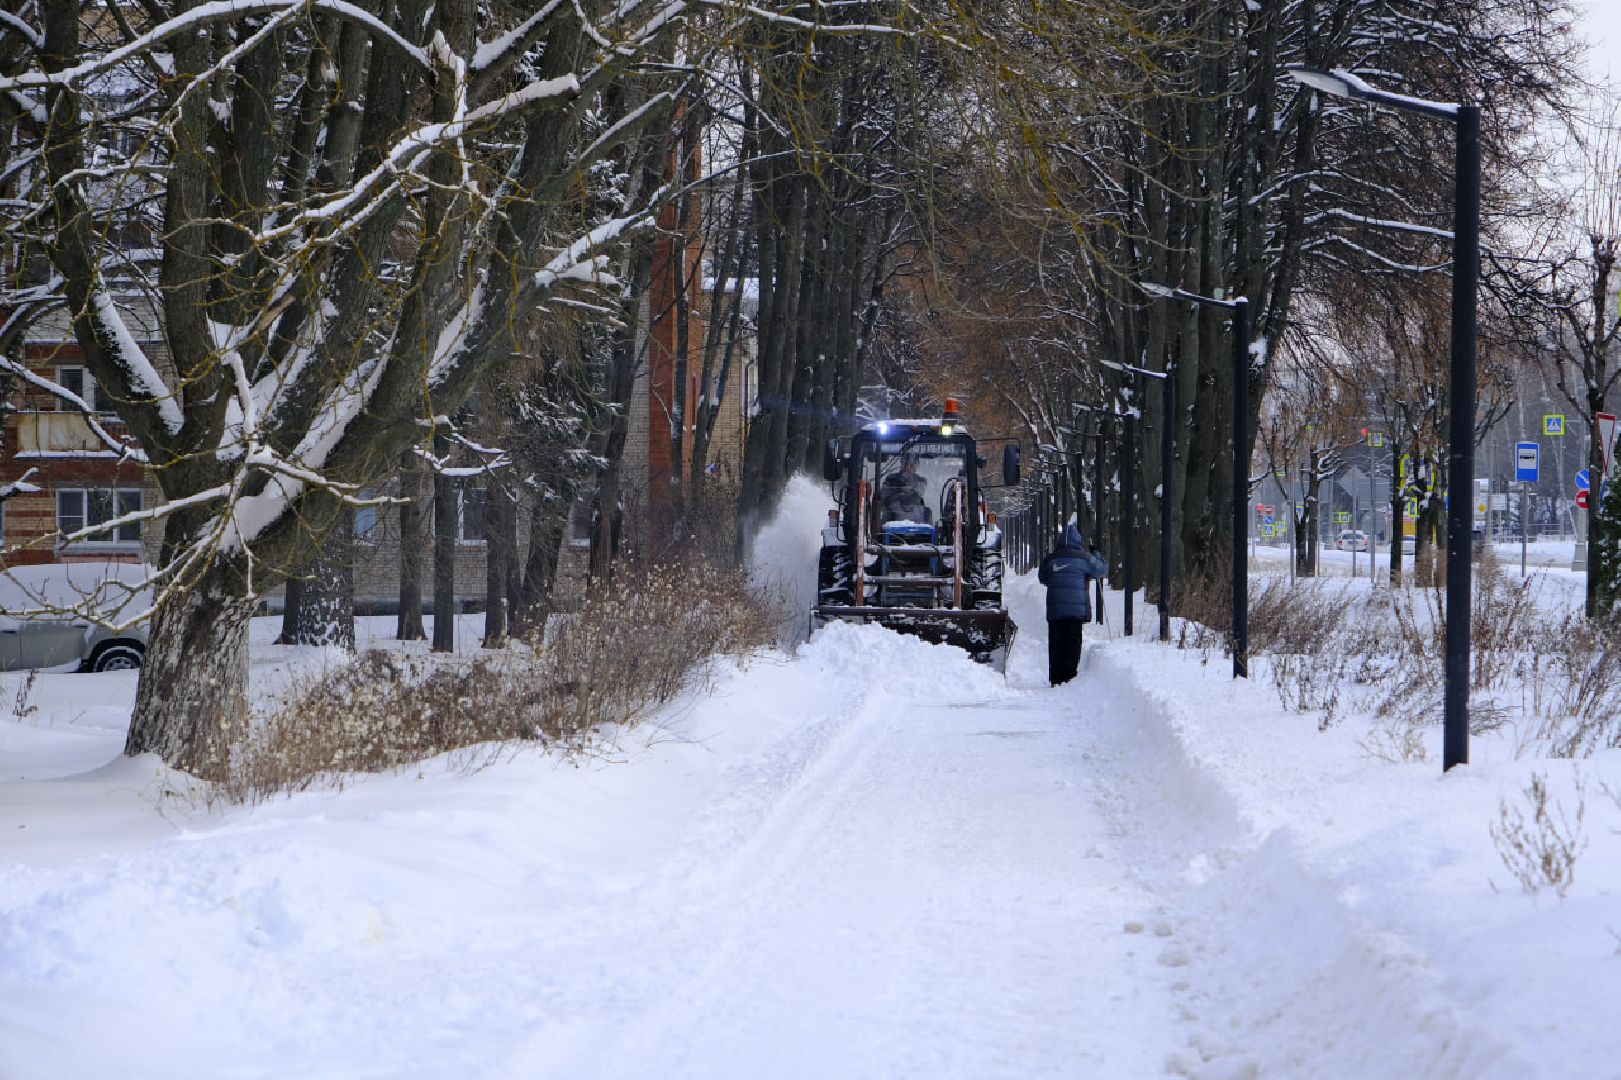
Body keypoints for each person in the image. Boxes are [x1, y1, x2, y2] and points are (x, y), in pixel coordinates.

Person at [1037, 520, 1108, 686]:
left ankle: (1056, 678)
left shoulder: (1051, 559)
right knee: (1073, 642)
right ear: (1078, 541)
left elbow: (1042, 577)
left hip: (1055, 610)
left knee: (1056, 643)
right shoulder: (1084, 558)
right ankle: (1069, 677)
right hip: (1076, 610)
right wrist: (1096, 553)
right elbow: (1101, 570)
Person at [882, 455, 929, 522]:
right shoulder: (890, 480)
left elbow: (920, 494)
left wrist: (911, 491)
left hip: (919, 526)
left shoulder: (921, 481)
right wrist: (899, 491)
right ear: (901, 463)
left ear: (916, 465)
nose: (908, 467)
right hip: (892, 524)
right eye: (905, 464)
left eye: (911, 465)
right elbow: (883, 500)